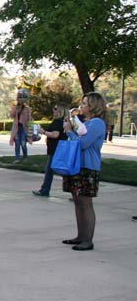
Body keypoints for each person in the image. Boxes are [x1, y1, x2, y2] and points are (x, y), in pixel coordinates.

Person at [61, 93, 107, 251]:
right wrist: (70, 127)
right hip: (76, 166)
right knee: (78, 202)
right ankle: (81, 236)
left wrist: (69, 131)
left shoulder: (97, 123)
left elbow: (83, 144)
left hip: (88, 167)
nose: (81, 105)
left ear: (93, 106)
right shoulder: (85, 122)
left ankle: (88, 240)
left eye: (85, 103)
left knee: (86, 203)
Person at [32, 104, 68, 197]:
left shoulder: (58, 121)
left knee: (51, 170)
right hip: (60, 148)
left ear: (60, 111)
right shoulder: (65, 121)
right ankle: (45, 189)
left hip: (56, 149)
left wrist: (42, 132)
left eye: (55, 109)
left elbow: (55, 134)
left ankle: (45, 190)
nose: (53, 110)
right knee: (59, 170)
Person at [9, 89, 32, 162]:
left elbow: (29, 119)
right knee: (17, 143)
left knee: (23, 143)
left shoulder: (27, 109)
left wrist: (30, 127)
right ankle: (17, 158)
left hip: (24, 128)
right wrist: (17, 109)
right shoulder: (16, 108)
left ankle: (25, 157)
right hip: (17, 128)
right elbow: (11, 115)